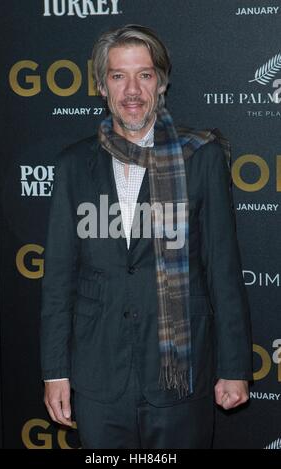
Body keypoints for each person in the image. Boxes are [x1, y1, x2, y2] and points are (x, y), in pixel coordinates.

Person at [41, 24, 252, 449]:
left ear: (162, 82)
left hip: (179, 372)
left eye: (145, 74)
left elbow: (223, 271)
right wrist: (54, 371)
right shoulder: (73, 166)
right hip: (99, 375)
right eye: (119, 76)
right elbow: (58, 279)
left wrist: (235, 367)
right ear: (102, 86)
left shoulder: (200, 156)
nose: (132, 90)